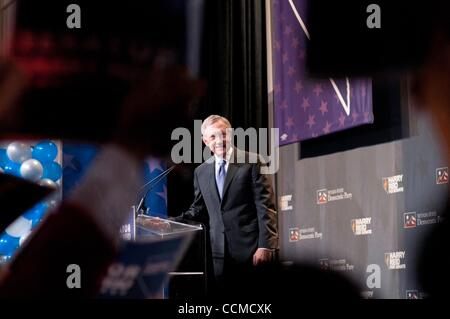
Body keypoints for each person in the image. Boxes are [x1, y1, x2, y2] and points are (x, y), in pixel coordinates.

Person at [176, 115, 279, 289]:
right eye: (213, 137)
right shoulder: (201, 172)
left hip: (252, 252)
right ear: (205, 141)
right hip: (219, 255)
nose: (219, 140)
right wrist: (171, 222)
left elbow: (265, 206)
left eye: (223, 134)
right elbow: (198, 210)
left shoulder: (252, 161)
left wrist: (266, 247)